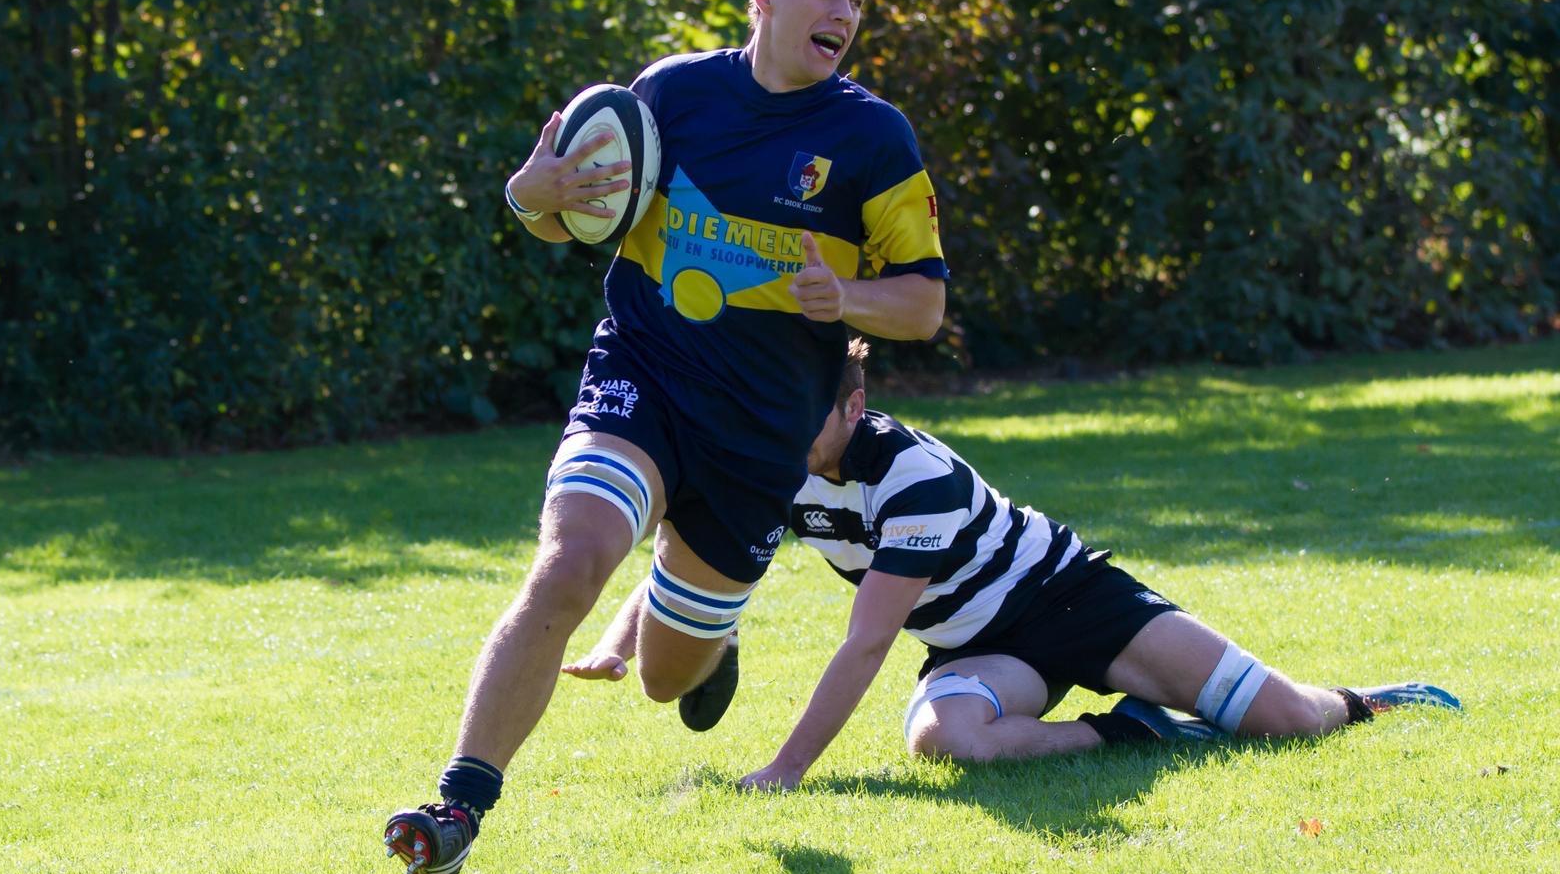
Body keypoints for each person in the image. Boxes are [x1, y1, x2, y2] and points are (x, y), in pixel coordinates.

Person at [383, 0, 947, 874]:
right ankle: (457, 807)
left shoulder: (871, 137)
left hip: (759, 438)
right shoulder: (671, 94)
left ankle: (708, 641)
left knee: (662, 678)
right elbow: (567, 216)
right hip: (640, 379)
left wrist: (845, 298)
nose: (845, 13)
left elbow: (924, 305)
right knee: (570, 564)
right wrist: (530, 192)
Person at [564, 339, 1462, 792]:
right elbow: (697, 556)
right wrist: (617, 639)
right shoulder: (774, 462)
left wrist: (787, 768)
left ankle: (1366, 699)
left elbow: (868, 640)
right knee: (945, 740)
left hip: (1073, 600)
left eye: (806, 411)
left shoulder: (912, 478)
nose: (785, 429)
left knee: (1285, 721)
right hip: (979, 649)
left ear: (855, 403)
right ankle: (1142, 733)